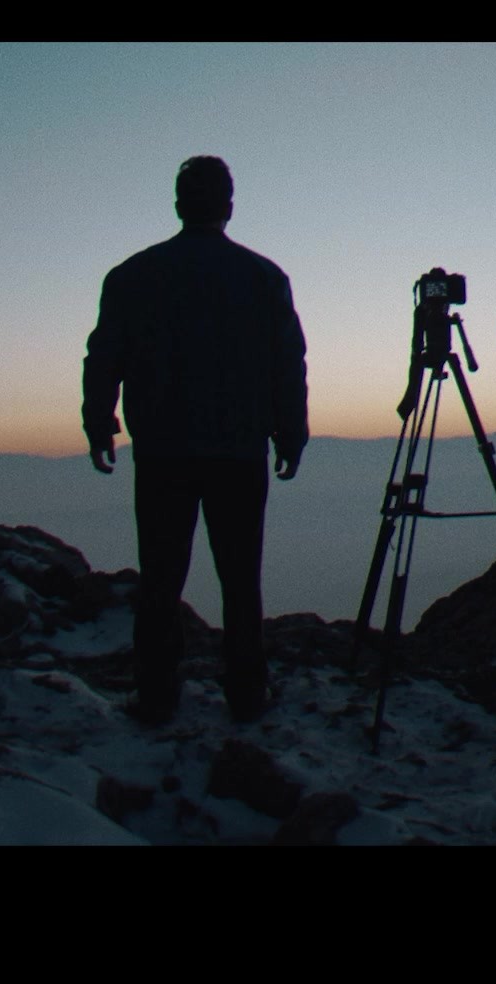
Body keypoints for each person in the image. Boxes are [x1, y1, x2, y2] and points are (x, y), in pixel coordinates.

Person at [83, 156, 309, 725]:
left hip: (163, 451)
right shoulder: (263, 278)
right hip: (239, 449)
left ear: (179, 205)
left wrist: (99, 420)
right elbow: (287, 363)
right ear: (228, 206)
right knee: (240, 577)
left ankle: (157, 696)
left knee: (160, 577)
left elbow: (104, 356)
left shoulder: (132, 276)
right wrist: (291, 431)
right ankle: (247, 694)